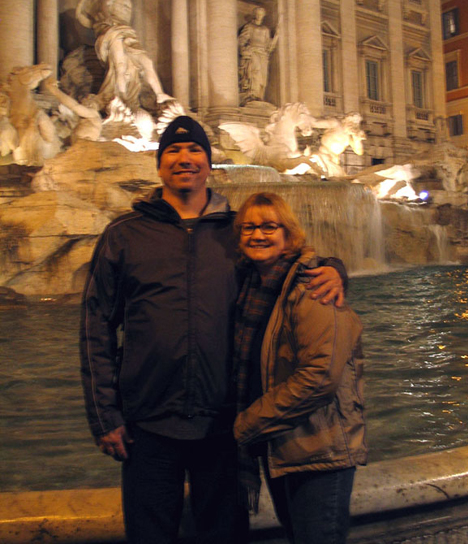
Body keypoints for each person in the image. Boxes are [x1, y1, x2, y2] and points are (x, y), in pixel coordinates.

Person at [80, 116, 347, 544]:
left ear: (209, 164)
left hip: (226, 422)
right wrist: (104, 416)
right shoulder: (124, 235)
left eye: (194, 151)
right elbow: (95, 327)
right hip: (146, 422)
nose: (184, 159)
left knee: (226, 535)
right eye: (173, 151)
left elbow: (292, 264)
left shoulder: (240, 230)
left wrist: (335, 270)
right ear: (159, 163)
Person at [233, 192, 367, 544]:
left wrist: (247, 424)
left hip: (318, 448)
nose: (257, 235)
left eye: (268, 227)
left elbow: (320, 377)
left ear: (289, 235)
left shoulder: (313, 287)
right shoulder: (250, 285)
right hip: (281, 444)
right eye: (248, 228)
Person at [76, 0, 172, 114]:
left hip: (127, 32)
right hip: (112, 30)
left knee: (146, 62)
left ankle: (159, 94)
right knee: (119, 65)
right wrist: (107, 23)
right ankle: (121, 98)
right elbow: (105, 8)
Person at [238, 7, 278, 104]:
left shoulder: (265, 30)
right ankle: (251, 95)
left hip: (263, 54)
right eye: (258, 14)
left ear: (263, 16)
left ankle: (259, 95)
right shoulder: (249, 27)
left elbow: (269, 45)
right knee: (254, 72)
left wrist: (277, 36)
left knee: (262, 76)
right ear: (254, 14)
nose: (259, 16)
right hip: (253, 52)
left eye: (261, 14)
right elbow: (241, 40)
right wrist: (244, 50)